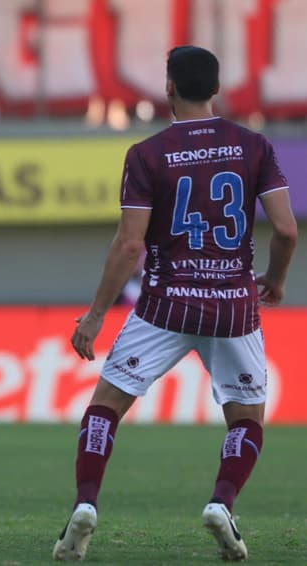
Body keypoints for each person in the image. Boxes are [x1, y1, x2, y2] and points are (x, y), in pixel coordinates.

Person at [52, 46, 297, 562]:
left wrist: (95, 314)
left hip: (166, 304)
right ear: (216, 88)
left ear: (168, 88)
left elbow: (128, 244)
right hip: (234, 305)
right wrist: (273, 280)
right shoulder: (253, 146)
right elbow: (286, 229)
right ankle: (221, 504)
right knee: (246, 416)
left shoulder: (146, 153)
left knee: (105, 407)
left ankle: (85, 505)